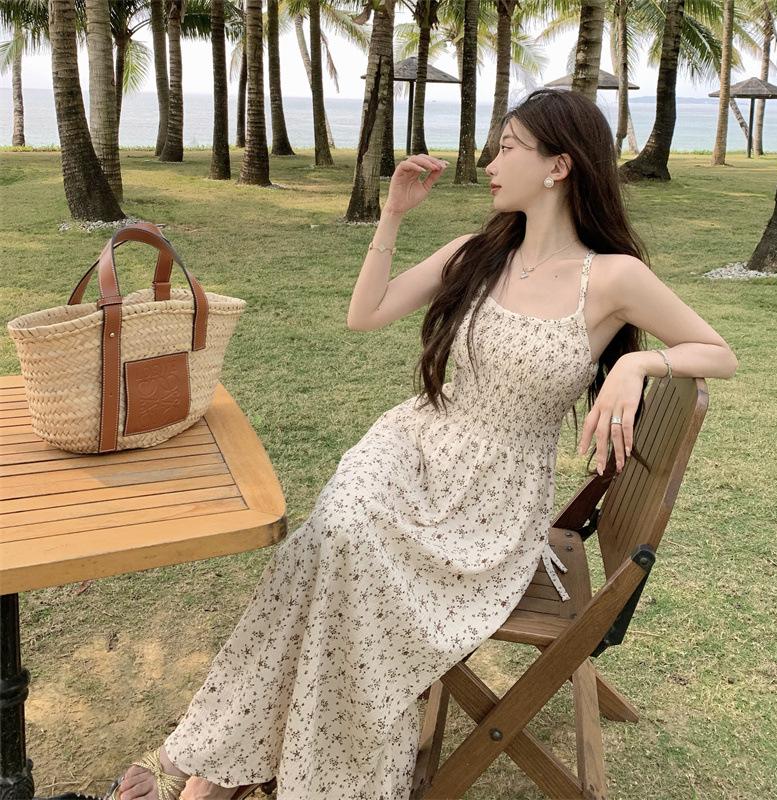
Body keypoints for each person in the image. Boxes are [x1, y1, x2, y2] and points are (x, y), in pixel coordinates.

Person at [106, 88, 738, 800]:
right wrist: (393, 216)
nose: (490, 163)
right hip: (412, 444)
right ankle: (225, 764)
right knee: (331, 540)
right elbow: (365, 314)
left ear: (558, 167)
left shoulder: (612, 277)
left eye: (507, 148)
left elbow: (719, 352)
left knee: (338, 558)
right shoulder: (478, 253)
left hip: (491, 502)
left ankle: (224, 774)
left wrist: (638, 363)